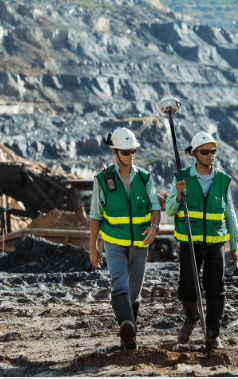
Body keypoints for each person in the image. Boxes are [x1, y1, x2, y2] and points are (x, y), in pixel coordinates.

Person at [165, 131, 238, 349]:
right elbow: (169, 210)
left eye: (213, 151)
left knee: (216, 289)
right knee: (187, 289)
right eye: (206, 152)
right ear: (195, 154)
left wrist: (233, 245)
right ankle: (192, 317)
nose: (211, 155)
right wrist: (178, 196)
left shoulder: (223, 180)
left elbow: (230, 213)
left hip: (216, 242)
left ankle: (213, 335)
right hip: (190, 242)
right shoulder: (181, 177)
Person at [89, 127, 161, 350]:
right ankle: (127, 325)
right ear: (115, 152)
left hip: (140, 243)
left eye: (133, 151)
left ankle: (128, 335)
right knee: (119, 283)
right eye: (126, 152)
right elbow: (95, 215)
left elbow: (155, 207)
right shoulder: (102, 180)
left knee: (134, 291)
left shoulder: (146, 178)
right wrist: (92, 246)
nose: (131, 156)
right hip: (114, 241)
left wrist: (154, 227)